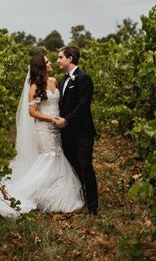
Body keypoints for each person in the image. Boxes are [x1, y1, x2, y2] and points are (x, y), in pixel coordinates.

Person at [0, 54, 84, 219]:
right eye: (47, 62)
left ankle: (53, 195)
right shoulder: (35, 86)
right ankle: (26, 191)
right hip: (44, 128)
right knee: (49, 157)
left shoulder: (53, 81)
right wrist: (51, 118)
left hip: (57, 127)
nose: (50, 62)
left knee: (58, 157)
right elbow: (32, 112)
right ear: (41, 67)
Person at [56, 45, 99, 215]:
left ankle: (93, 206)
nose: (58, 60)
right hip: (66, 133)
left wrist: (66, 120)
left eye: (60, 57)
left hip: (82, 132)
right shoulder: (62, 80)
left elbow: (83, 105)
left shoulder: (84, 78)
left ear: (70, 59)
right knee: (72, 167)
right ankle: (79, 198)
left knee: (85, 166)